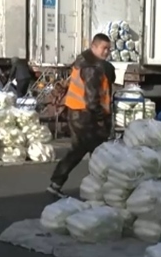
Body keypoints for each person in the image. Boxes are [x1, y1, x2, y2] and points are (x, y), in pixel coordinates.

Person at [47, 34, 113, 197]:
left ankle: (58, 183)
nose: (107, 52)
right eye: (104, 48)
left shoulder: (84, 61)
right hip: (86, 116)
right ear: (94, 47)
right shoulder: (92, 69)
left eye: (109, 49)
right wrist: (102, 120)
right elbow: (92, 99)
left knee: (82, 151)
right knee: (96, 152)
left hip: (77, 113)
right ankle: (100, 188)